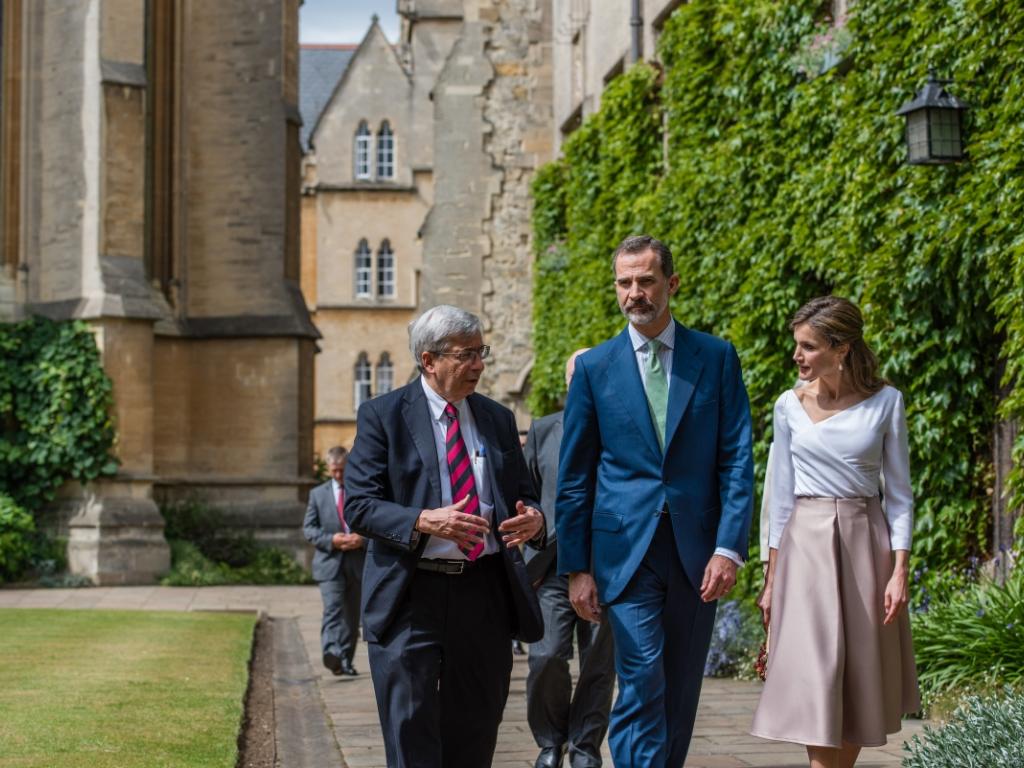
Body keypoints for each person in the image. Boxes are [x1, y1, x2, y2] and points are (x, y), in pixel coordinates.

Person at [557, 235, 755, 768]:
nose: (634, 293)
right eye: (624, 282)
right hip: (625, 554)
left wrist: (729, 549)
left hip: (696, 554)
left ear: (672, 283)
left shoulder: (715, 358)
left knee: (680, 688)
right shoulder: (596, 369)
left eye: (645, 281)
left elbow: (737, 459)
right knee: (643, 677)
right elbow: (575, 476)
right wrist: (576, 568)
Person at [344, 304, 547, 768]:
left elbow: (526, 495)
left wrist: (534, 518)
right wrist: (422, 521)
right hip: (411, 593)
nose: (478, 364)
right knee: (410, 731)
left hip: (484, 593)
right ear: (428, 360)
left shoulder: (495, 418)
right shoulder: (383, 416)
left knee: (475, 732)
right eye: (466, 355)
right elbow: (359, 506)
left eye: (481, 352)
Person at [750, 296, 920, 768]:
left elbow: (900, 495)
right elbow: (778, 496)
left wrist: (899, 570)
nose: (797, 356)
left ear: (841, 349)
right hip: (804, 549)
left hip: (867, 545)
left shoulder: (887, 403)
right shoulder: (788, 405)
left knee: (859, 677)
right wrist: (771, 579)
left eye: (808, 346)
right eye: (796, 345)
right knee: (816, 672)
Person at [525, 348, 615, 768]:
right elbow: (524, 497)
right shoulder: (543, 430)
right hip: (553, 568)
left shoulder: (620, 429)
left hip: (609, 567)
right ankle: (550, 740)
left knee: (598, 666)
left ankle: (584, 748)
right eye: (574, 376)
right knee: (545, 657)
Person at [303, 445, 366, 676]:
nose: (338, 475)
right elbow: (309, 529)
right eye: (334, 471)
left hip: (357, 562)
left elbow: (374, 523)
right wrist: (333, 540)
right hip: (330, 563)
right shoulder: (317, 495)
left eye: (342, 470)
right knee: (333, 609)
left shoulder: (361, 492)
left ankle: (345, 661)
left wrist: (363, 539)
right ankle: (331, 652)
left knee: (351, 616)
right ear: (329, 468)